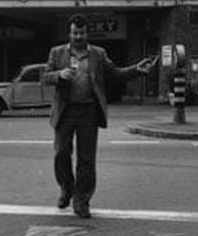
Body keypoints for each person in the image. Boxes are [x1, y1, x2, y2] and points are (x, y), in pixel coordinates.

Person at [42, 14, 157, 219]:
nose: (78, 36)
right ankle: (67, 189)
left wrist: (136, 70)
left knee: (86, 160)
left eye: (82, 32)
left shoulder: (98, 54)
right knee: (61, 154)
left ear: (87, 33)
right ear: (69, 33)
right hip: (65, 111)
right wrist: (59, 75)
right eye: (75, 32)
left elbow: (116, 73)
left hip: (88, 111)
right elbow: (45, 76)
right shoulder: (57, 53)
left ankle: (82, 201)